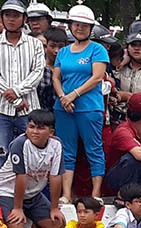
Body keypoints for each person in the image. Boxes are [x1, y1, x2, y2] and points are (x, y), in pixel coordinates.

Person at [0, 109, 65, 228]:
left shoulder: (56, 145)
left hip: (34, 193)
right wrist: (18, 207)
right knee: (16, 223)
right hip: (8, 191)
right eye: (31, 127)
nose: (34, 131)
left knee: (58, 223)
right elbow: (20, 178)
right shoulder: (20, 144)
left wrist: (54, 207)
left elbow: (56, 177)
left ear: (50, 133)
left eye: (40, 128)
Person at [52, 4, 107, 201]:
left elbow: (97, 77)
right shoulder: (64, 52)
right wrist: (62, 97)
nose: (79, 28)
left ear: (90, 28)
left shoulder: (97, 49)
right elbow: (56, 77)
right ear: (70, 26)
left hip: (89, 107)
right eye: (76, 24)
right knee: (66, 150)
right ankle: (66, 194)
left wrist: (72, 95)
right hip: (63, 108)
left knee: (94, 149)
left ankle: (96, 193)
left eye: (84, 25)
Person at [0, 0, 44, 163]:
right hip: (2, 110)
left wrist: (17, 92)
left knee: (33, 152)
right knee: (1, 153)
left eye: (16, 15)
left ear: (24, 18)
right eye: (7, 15)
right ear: (2, 18)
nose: (11, 19)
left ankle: (32, 189)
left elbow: (38, 72)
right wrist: (16, 99)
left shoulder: (35, 44)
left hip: (29, 109)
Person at [36, 27, 66, 112]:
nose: (56, 51)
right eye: (52, 46)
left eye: (61, 47)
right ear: (46, 47)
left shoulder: (68, 70)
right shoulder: (37, 68)